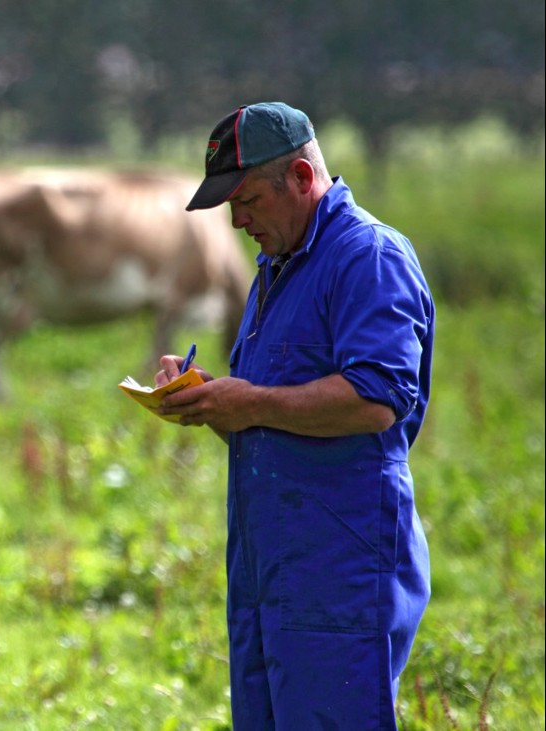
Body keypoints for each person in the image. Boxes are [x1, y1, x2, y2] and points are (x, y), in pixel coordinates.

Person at [157, 102, 433, 729]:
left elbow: (377, 399)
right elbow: (270, 411)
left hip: (339, 560)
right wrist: (206, 399)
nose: (236, 220)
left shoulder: (369, 258)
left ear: (303, 180)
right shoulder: (277, 267)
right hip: (268, 559)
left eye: (248, 198)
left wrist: (245, 400)